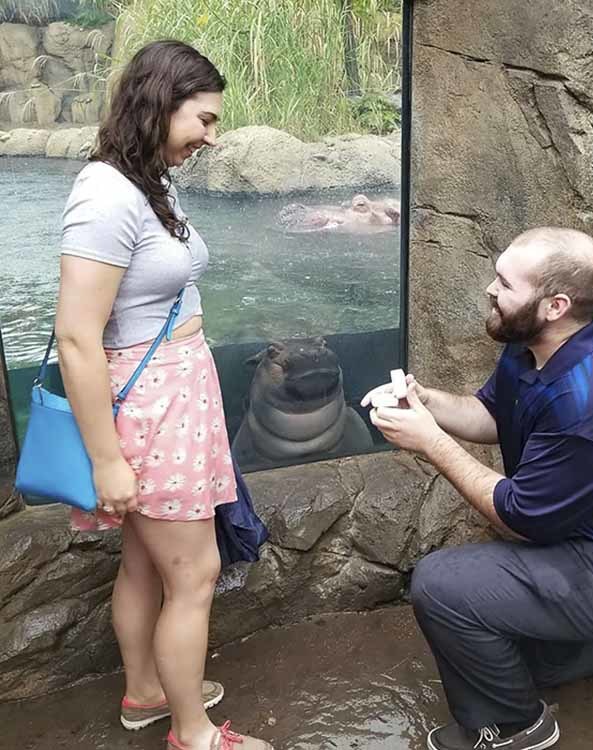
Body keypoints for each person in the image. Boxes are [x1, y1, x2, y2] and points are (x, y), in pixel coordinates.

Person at [363, 227, 593, 750]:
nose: (489, 288)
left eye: (504, 282)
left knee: (444, 586)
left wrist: (431, 443)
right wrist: (427, 402)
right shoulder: (534, 343)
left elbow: (519, 515)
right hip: (592, 536)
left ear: (555, 304)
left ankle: (512, 727)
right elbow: (491, 414)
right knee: (511, 653)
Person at [55, 40, 273, 750]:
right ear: (160, 102)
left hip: (177, 391)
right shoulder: (105, 194)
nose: (211, 138)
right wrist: (106, 460)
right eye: (203, 120)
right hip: (150, 404)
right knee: (196, 571)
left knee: (149, 562)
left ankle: (148, 692)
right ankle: (194, 733)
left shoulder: (147, 180)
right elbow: (78, 338)